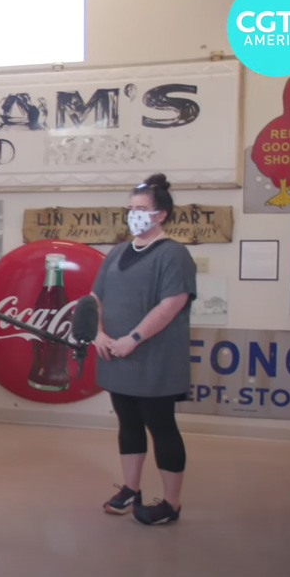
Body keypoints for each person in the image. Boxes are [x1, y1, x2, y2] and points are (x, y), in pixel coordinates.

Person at [90, 173, 197, 526]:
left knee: (161, 426)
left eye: (141, 209)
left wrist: (132, 339)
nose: (134, 214)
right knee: (129, 423)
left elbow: (172, 303)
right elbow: (96, 297)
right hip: (116, 358)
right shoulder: (118, 252)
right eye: (131, 208)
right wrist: (100, 334)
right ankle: (131, 489)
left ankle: (171, 503)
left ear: (161, 214)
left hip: (154, 360)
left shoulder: (173, 254)